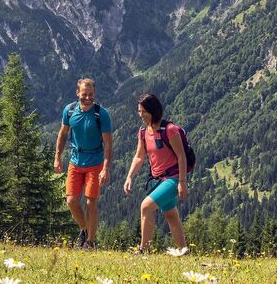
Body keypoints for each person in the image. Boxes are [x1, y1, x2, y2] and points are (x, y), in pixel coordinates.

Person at [123, 93, 189, 254]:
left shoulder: (170, 130)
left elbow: (182, 156)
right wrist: (129, 176)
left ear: (153, 110)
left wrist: (182, 182)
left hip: (172, 179)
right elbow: (139, 157)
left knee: (145, 207)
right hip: (157, 180)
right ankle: (184, 250)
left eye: (144, 111)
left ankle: (143, 250)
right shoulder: (144, 132)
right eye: (139, 111)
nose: (141, 115)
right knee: (171, 215)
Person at [54, 78, 112, 249]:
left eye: (91, 95)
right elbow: (63, 134)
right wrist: (57, 156)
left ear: (95, 94)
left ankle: (90, 242)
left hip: (95, 162)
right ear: (77, 93)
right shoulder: (70, 110)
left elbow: (108, 143)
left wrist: (106, 169)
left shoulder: (101, 114)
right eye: (84, 94)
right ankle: (85, 229)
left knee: (90, 201)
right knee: (71, 200)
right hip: (75, 161)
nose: (87, 98)